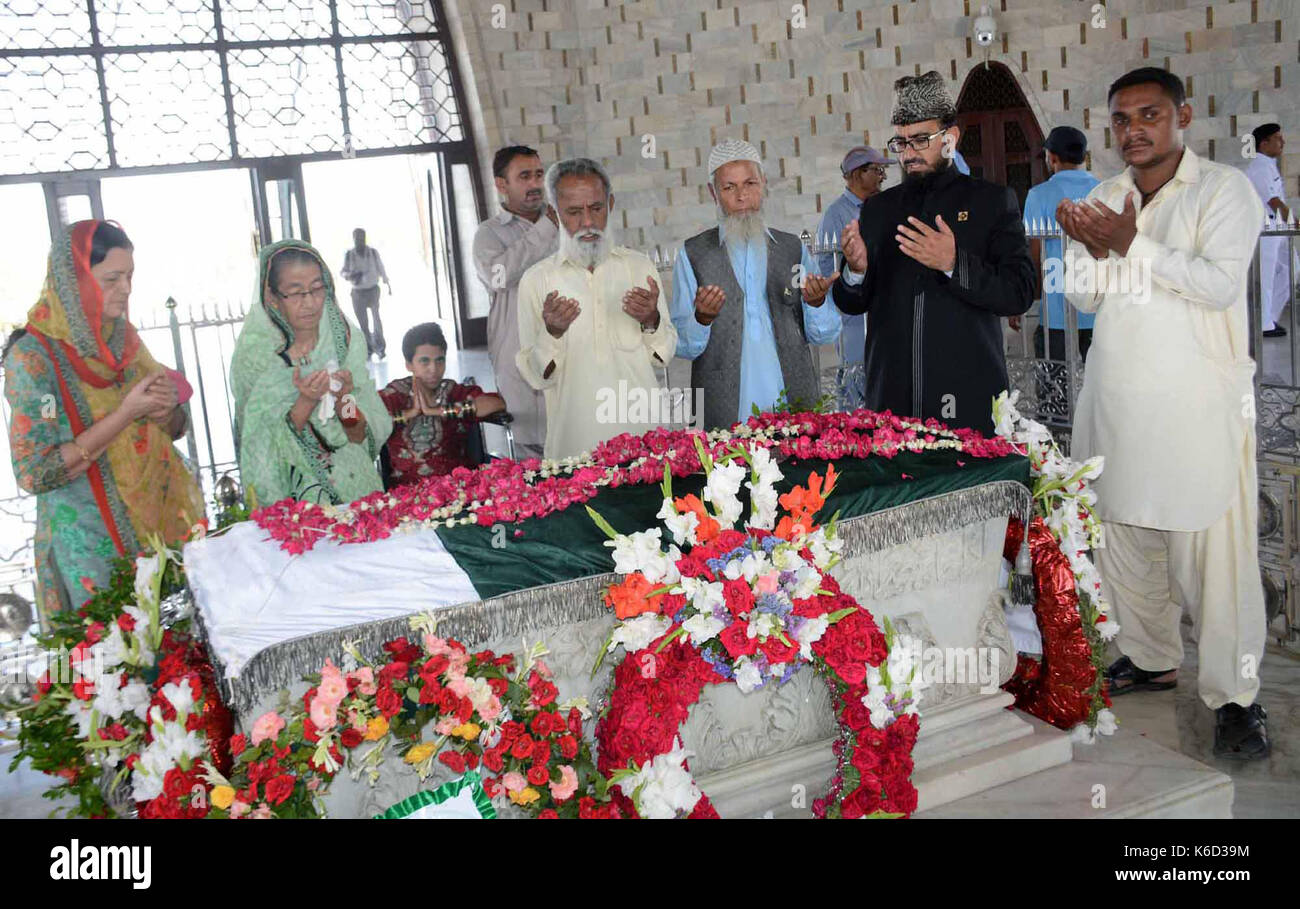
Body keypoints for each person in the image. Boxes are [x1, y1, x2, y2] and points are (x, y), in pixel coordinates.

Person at [1058, 67, 1270, 760]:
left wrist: (1130, 245)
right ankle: (1150, 659)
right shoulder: (1104, 194)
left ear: (1182, 115)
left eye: (1148, 114)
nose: (1133, 130)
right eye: (1121, 119)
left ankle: (1235, 698)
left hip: (1198, 409)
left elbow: (1215, 284)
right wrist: (1092, 249)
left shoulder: (1223, 190)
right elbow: (1086, 298)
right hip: (1118, 404)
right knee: (1128, 547)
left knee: (1214, 562)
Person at [3, 220, 205, 616]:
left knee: (176, 668)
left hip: (153, 539)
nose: (126, 289)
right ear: (74, 280)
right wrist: (126, 412)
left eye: (130, 276)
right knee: (110, 669)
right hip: (88, 552)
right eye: (111, 278)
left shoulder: (121, 341)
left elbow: (174, 429)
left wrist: (166, 411)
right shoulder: (33, 358)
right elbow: (35, 472)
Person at [830, 70, 1035, 434]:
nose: (909, 153)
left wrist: (954, 264)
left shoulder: (990, 202)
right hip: (893, 405)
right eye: (901, 142)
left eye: (921, 140)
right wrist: (856, 271)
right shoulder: (879, 210)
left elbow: (1018, 292)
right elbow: (851, 303)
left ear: (950, 138)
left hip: (969, 400)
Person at [671, 139, 841, 430]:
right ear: (714, 193)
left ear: (764, 183)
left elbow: (824, 334)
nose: (741, 196)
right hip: (723, 408)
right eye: (729, 187)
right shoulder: (692, 254)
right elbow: (683, 347)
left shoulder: (792, 248)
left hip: (793, 403)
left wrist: (816, 303)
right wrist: (702, 318)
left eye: (750, 183)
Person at [516, 157, 677, 459]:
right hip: (574, 448)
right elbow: (537, 378)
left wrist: (651, 320)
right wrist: (552, 332)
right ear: (554, 213)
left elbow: (664, 356)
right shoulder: (536, 281)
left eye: (596, 208)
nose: (587, 222)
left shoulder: (638, 267)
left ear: (611, 204)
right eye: (574, 212)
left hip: (646, 444)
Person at [231, 239, 392, 506]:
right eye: (295, 293)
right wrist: (305, 401)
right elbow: (260, 450)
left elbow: (357, 436)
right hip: (297, 506)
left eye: (317, 289)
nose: (310, 302)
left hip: (354, 490)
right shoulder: (257, 359)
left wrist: (344, 399)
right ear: (271, 297)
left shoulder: (344, 345)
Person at [473, 145, 558, 458]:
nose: (535, 183)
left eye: (538, 174)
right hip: (520, 356)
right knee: (535, 468)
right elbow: (499, 276)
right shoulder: (489, 234)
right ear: (501, 184)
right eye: (524, 176)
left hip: (570, 354)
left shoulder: (565, 222)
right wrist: (546, 228)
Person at [1014, 126, 1101, 420]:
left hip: (1056, 307)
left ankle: (1057, 443)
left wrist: (1028, 298)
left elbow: (1035, 254)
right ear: (1084, 156)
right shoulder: (1104, 191)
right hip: (1099, 305)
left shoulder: (1039, 195)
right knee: (1102, 383)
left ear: (1051, 157)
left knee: (1053, 386)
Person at [378, 322, 505, 488]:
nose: (433, 369)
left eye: (439, 361)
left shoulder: (452, 391)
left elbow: (497, 404)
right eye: (424, 361)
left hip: (459, 489)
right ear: (409, 364)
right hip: (406, 494)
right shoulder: (394, 396)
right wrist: (410, 413)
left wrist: (440, 411)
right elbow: (365, 424)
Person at [817, 146, 896, 383]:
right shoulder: (836, 215)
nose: (882, 176)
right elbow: (827, 266)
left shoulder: (881, 208)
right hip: (853, 318)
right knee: (857, 379)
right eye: (876, 170)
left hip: (884, 310)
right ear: (856, 174)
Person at [1243, 123, 1291, 337]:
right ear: (1264, 143)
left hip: (1277, 229)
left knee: (1291, 270)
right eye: (1277, 138)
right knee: (1267, 277)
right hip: (1265, 230)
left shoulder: (1269, 164)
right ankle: (1263, 324)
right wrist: (1295, 222)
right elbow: (1273, 201)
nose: (1282, 142)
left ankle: (1269, 317)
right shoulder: (1259, 167)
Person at [340, 228, 391, 359]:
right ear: (353, 239)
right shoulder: (349, 255)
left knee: (376, 320)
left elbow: (381, 267)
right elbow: (343, 272)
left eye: (362, 238)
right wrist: (350, 275)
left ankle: (380, 348)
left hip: (373, 290)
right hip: (357, 293)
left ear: (365, 238)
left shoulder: (373, 253)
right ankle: (368, 349)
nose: (359, 241)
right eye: (357, 238)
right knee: (363, 323)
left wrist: (387, 282)